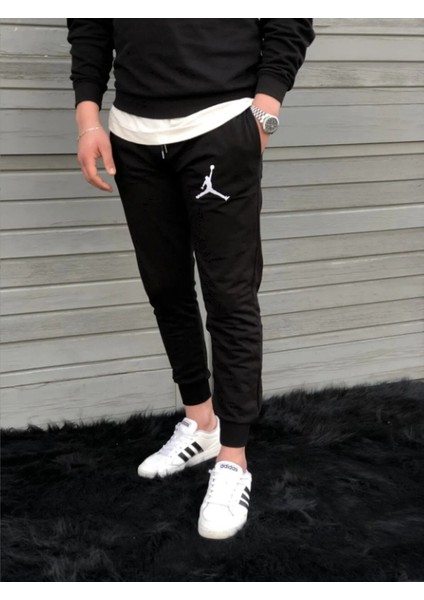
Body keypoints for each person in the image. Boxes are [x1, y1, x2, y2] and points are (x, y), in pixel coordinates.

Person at [66, 18, 315, 540]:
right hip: (131, 134)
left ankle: (233, 458)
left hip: (221, 123)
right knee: (166, 288)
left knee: (230, 296)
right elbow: (89, 25)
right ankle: (201, 423)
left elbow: (289, 18)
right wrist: (88, 118)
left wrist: (265, 111)